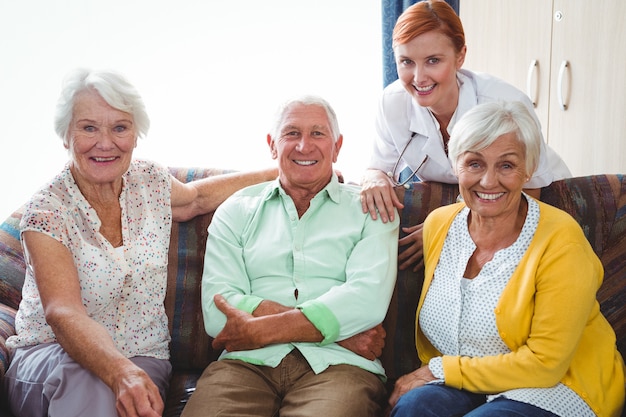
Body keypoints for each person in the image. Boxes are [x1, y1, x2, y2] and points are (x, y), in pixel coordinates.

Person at [3, 68, 277, 417]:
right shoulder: (47, 211)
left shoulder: (148, 181)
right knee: (94, 386)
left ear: (135, 134)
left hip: (143, 357)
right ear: (65, 135)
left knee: (119, 395)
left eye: (120, 127)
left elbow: (195, 199)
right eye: (89, 128)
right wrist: (119, 371)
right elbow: (63, 311)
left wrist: (281, 172)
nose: (106, 143)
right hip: (51, 358)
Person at [388, 100, 625, 417]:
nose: (488, 181)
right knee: (414, 408)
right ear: (455, 163)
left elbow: (545, 365)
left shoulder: (561, 241)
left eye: (506, 165)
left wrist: (439, 371)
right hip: (463, 382)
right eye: (474, 163)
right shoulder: (439, 225)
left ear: (528, 168)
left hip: (555, 387)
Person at [181, 96, 400, 417]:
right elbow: (219, 311)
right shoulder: (236, 209)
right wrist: (338, 334)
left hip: (339, 368)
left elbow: (366, 301)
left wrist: (261, 327)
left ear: (337, 146)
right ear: (272, 145)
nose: (304, 146)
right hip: (247, 364)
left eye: (318, 134)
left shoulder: (371, 209)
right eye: (292, 134)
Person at [360, 0, 571, 272]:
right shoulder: (392, 103)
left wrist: (448, 228)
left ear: (460, 56)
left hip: (530, 199)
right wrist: (374, 178)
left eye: (433, 61)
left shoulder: (503, 102)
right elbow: (378, 167)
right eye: (407, 62)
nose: (419, 77)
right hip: (469, 202)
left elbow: (530, 188)